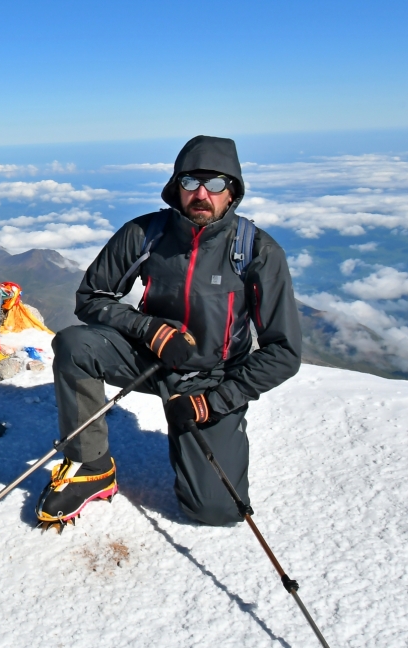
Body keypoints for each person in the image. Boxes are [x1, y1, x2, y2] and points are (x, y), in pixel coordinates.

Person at [36, 135, 302, 526]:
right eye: (191, 182)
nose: (202, 194)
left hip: (210, 381)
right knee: (75, 344)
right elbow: (91, 297)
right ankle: (91, 466)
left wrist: (213, 402)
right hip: (149, 357)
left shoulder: (256, 251)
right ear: (176, 187)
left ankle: (202, 435)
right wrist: (150, 330)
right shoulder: (146, 233)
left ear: (232, 193)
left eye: (215, 184)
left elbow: (284, 352)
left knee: (216, 510)